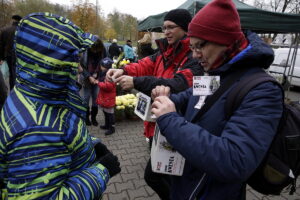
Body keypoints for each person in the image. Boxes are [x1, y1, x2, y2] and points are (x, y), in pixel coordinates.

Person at [150, 0, 283, 199]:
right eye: (192, 47)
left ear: (224, 40)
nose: (195, 55)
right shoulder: (215, 72)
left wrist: (170, 119)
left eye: (200, 46)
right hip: (186, 184)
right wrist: (167, 99)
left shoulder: (263, 90)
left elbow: (236, 161)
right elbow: (190, 97)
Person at [0, 13, 121, 199]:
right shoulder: (36, 131)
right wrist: (101, 171)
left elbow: (64, 129)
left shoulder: (37, 91)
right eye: (72, 60)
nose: (78, 67)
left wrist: (90, 145)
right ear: (52, 65)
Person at [106, 8, 203, 199]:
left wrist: (136, 82)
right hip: (158, 124)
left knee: (156, 176)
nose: (166, 31)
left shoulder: (194, 57)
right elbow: (143, 64)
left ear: (185, 29)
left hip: (179, 124)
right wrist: (123, 70)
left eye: (170, 27)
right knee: (164, 175)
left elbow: (177, 84)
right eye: (164, 27)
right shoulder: (164, 53)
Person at [80, 38, 107, 126]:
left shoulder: (103, 50)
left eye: (97, 49)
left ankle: (94, 118)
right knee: (86, 98)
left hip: (97, 78)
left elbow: (105, 63)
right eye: (94, 49)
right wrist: (89, 76)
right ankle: (86, 117)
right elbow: (81, 66)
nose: (95, 51)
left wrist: (98, 75)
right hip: (86, 77)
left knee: (96, 98)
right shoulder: (85, 51)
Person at [90, 57, 116, 136]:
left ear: (105, 67)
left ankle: (112, 128)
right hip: (105, 97)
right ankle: (107, 125)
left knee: (110, 114)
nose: (100, 67)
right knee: (105, 112)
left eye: (101, 66)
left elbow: (108, 86)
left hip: (109, 98)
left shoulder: (110, 75)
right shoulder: (104, 73)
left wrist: (98, 83)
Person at [0, 14, 22, 90]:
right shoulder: (21, 31)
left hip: (8, 56)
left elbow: (1, 45)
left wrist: (1, 58)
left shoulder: (4, 30)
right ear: (20, 21)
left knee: (10, 75)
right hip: (19, 56)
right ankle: (17, 90)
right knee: (17, 74)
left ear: (13, 20)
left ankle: (12, 89)